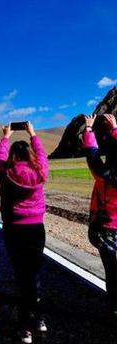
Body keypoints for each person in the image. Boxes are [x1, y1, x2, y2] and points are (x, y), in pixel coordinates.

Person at [0, 122, 49, 344]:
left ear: (13, 158)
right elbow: (43, 156)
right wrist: (33, 134)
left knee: (21, 277)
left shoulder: (5, 173)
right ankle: (39, 319)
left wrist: (5, 138)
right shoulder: (39, 172)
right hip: (36, 229)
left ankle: (25, 327)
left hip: (14, 229)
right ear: (29, 154)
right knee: (33, 276)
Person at [83, 114, 117, 319]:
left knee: (111, 270)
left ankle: (114, 305)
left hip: (106, 228)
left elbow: (92, 154)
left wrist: (88, 130)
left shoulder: (103, 175)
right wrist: (115, 129)